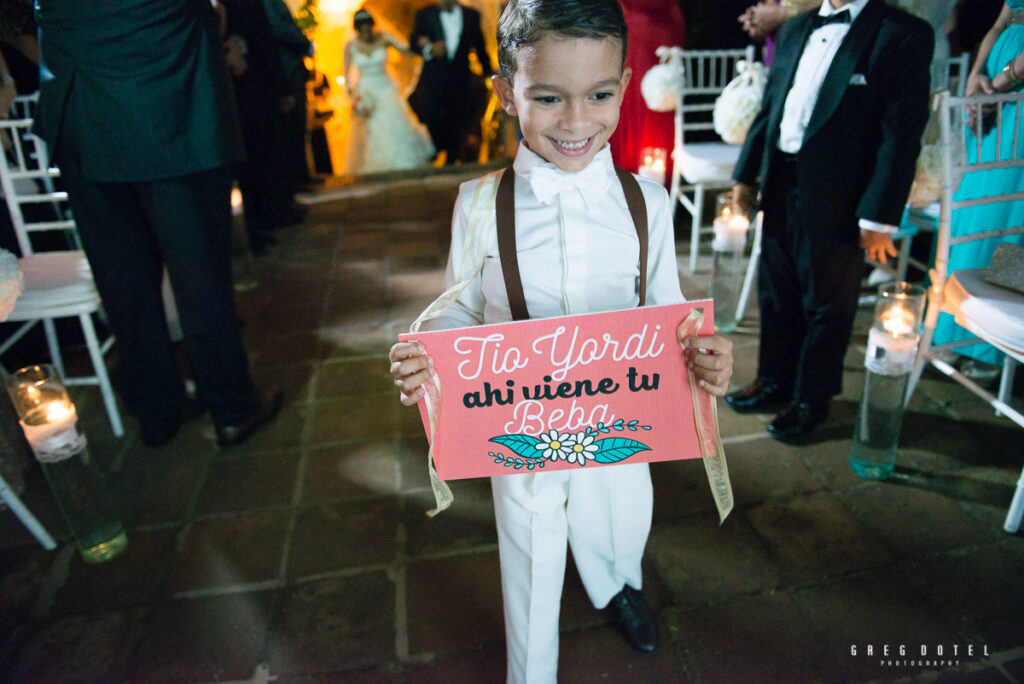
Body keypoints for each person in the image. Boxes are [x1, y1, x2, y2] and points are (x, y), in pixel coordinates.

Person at [389, 1, 734, 681]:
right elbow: (456, 316)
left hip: (621, 424)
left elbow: (668, 316)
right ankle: (532, 670)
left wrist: (705, 358)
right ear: (507, 93)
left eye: (599, 95)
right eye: (548, 98)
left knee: (619, 522)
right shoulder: (479, 205)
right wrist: (425, 358)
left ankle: (615, 587)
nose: (577, 123)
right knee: (531, 553)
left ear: (625, 86)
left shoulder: (648, 203)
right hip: (522, 434)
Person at [33, 0, 282, 448]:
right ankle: (232, 407)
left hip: (82, 111)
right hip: (168, 101)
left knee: (122, 280)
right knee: (198, 273)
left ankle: (157, 410)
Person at [725, 0, 933, 441]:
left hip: (843, 194)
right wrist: (745, 177)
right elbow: (770, 107)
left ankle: (811, 399)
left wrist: (878, 214)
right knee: (776, 285)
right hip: (780, 176)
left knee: (827, 302)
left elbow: (901, 132)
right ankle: (774, 379)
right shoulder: (797, 27)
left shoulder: (901, 33)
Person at [932, 0, 1024, 376]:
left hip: (1014, 94)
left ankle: (991, 347)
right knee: (970, 205)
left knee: (1003, 212)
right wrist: (975, 77)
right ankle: (952, 326)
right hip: (993, 89)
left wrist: (1001, 81)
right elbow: (1003, 18)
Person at [342, 9, 435, 174]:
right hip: (367, 92)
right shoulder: (350, 47)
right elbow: (347, 75)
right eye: (362, 28)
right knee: (374, 130)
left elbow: (406, 50)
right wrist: (353, 94)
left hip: (386, 88)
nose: (367, 31)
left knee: (395, 121)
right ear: (357, 29)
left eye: (368, 27)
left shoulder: (384, 39)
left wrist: (424, 48)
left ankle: (404, 160)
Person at [408, 0, 494, 164]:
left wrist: (488, 73)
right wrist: (429, 49)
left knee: (457, 116)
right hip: (433, 76)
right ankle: (441, 145)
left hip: (460, 76)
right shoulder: (424, 14)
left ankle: (452, 158)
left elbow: (480, 47)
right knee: (428, 111)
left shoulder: (472, 15)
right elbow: (413, 43)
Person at [260, 0, 316, 200]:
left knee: (298, 124)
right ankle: (295, 180)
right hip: (286, 66)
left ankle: (301, 175)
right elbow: (279, 27)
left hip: (290, 66)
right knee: (291, 125)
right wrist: (305, 44)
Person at [738, 0, 818, 66]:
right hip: (776, 60)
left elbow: (827, 7)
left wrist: (782, 13)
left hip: (811, 58)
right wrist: (757, 21)